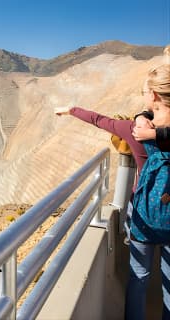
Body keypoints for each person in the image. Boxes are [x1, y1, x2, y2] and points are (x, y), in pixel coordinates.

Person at [55, 63, 170, 319]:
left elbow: (99, 120)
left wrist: (71, 110)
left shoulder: (135, 130)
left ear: (152, 96)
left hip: (144, 218)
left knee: (139, 276)